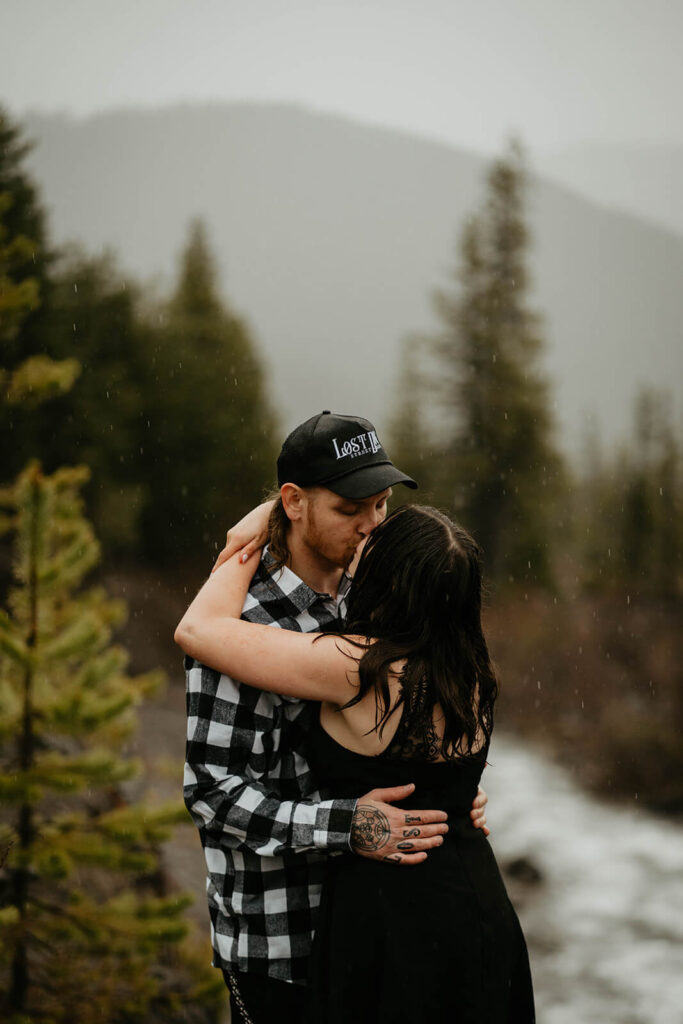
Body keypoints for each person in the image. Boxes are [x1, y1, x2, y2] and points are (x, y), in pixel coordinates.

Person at [180, 411, 489, 1024]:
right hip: (281, 939)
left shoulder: (377, 594)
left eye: (380, 506)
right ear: (293, 503)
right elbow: (213, 794)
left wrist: (449, 795)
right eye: (351, 510)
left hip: (377, 935)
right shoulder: (242, 625)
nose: (371, 526)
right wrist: (348, 825)